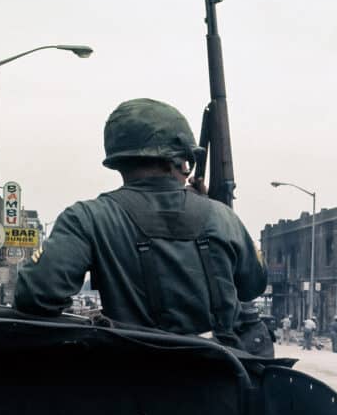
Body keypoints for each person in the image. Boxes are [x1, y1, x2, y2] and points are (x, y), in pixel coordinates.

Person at [14, 98, 266, 349]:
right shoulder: (223, 217)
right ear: (180, 160)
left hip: (130, 378)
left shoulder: (86, 217)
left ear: (118, 159)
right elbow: (253, 284)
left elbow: (35, 295)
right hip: (220, 377)